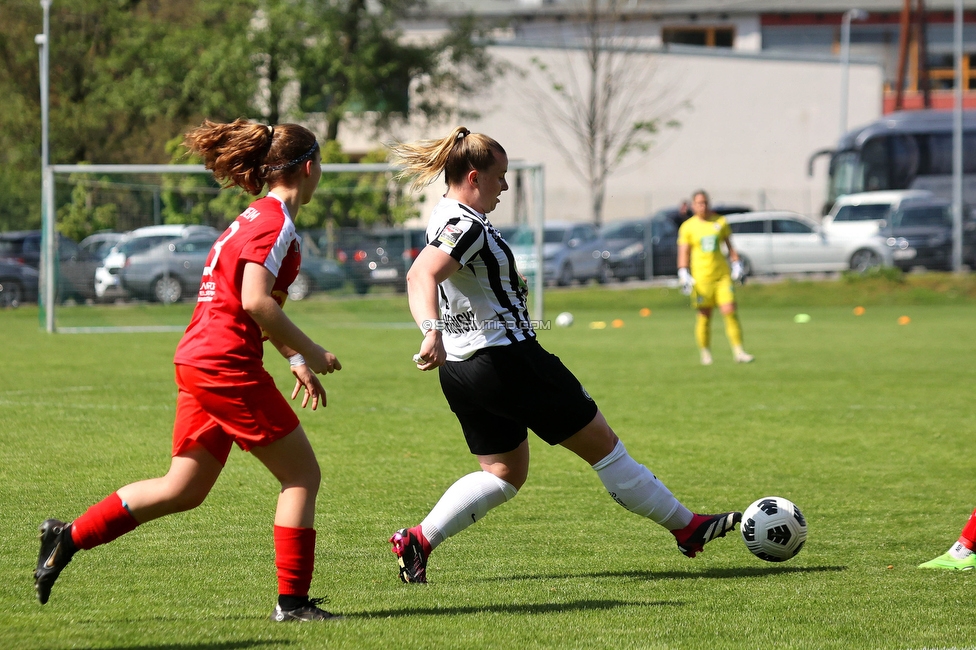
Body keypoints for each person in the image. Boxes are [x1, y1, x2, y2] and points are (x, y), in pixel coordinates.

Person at [385, 126, 741, 584]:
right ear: (474, 177)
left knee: (504, 473)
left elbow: (446, 277)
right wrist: (430, 331)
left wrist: (451, 328)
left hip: (462, 369)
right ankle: (688, 528)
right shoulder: (466, 224)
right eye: (501, 177)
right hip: (508, 361)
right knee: (606, 449)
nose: (506, 187)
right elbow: (421, 276)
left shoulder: (443, 215)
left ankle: (418, 539)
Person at [33, 118, 343, 622]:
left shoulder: (253, 218)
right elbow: (255, 301)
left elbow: (253, 307)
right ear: (309, 168)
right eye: (321, 164)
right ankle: (293, 605)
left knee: (184, 488)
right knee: (302, 476)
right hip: (224, 365)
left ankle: (65, 538)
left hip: (198, 358)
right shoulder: (275, 222)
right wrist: (311, 348)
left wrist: (291, 357)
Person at [676, 190, 753, 366]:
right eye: (699, 203)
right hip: (701, 278)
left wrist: (736, 263)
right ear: (693, 206)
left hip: (722, 276)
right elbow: (684, 253)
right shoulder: (688, 227)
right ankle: (705, 353)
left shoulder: (720, 222)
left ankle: (739, 351)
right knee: (704, 316)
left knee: (730, 311)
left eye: (705, 203)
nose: (702, 206)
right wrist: (683, 272)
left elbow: (729, 247)